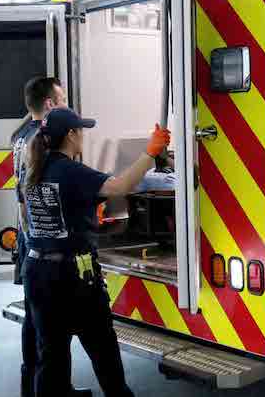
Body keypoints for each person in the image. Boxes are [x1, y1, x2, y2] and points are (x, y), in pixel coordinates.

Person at [21, 107, 170, 397]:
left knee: (51, 357)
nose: (83, 137)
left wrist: (79, 213)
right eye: (81, 131)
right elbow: (122, 186)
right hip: (72, 280)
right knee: (104, 354)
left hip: (37, 272)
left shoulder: (34, 170)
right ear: (71, 135)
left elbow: (28, 216)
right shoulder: (71, 171)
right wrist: (150, 152)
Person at [10, 77, 89, 397]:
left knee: (37, 318)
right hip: (42, 238)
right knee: (48, 326)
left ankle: (38, 386)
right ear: (50, 105)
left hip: (29, 235)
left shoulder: (20, 134)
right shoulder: (42, 138)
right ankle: (52, 388)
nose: (67, 103)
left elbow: (21, 192)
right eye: (63, 98)